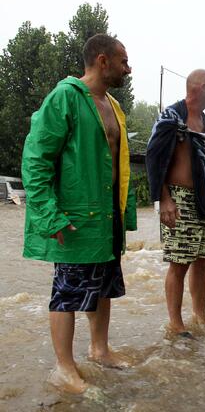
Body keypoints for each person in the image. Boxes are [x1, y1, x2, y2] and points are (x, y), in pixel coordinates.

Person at [21, 34, 136, 394]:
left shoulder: (113, 105)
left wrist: (124, 215)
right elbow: (36, 158)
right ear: (102, 61)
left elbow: (118, 166)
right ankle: (64, 368)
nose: (127, 68)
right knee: (67, 292)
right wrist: (49, 216)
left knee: (102, 287)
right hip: (73, 217)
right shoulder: (66, 97)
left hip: (105, 217)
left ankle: (99, 350)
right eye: (123, 61)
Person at [146, 69, 205, 337]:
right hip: (178, 198)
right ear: (201, 88)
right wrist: (164, 199)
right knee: (179, 262)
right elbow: (154, 158)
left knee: (202, 260)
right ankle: (176, 323)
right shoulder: (172, 117)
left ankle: (199, 316)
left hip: (203, 200)